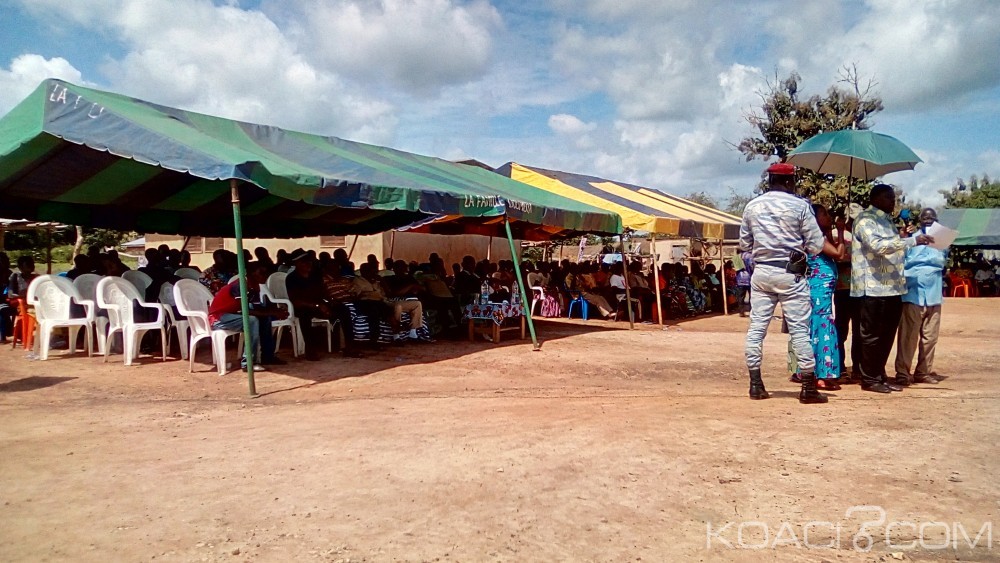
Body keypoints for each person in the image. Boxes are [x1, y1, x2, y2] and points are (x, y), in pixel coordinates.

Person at [739, 162, 827, 404]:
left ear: (770, 181)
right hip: (791, 274)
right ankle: (808, 388)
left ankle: (756, 384)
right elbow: (817, 245)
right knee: (800, 331)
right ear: (790, 181)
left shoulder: (752, 206)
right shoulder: (800, 206)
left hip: (762, 274)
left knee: (756, 330)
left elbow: (745, 244)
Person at [851, 184, 934, 393]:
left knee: (887, 334)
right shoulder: (865, 219)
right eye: (889, 198)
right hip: (872, 287)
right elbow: (878, 246)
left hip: (893, 287)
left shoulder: (887, 221)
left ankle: (879, 374)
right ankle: (868, 378)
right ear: (876, 198)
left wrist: (905, 240)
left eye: (893, 199)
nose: (893, 202)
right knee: (871, 335)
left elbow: (895, 246)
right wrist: (911, 241)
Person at [790, 204, 847, 390]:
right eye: (825, 213)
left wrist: (832, 231)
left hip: (820, 286)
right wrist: (840, 231)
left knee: (816, 326)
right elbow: (838, 254)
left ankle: (816, 372)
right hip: (819, 287)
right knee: (821, 326)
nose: (829, 216)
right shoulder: (815, 237)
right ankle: (821, 374)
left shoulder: (816, 236)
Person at [893, 207, 946, 386]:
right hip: (913, 293)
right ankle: (902, 371)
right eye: (925, 218)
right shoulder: (911, 240)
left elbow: (942, 261)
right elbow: (902, 259)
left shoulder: (943, 241)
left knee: (930, 337)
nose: (928, 220)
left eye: (932, 218)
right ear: (920, 220)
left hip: (934, 293)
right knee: (908, 335)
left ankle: (923, 371)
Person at [208, 263, 288, 372]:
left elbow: (256, 308)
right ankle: (248, 362)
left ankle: (268, 356)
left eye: (266, 273)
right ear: (251, 274)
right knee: (252, 320)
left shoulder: (254, 286)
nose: (265, 276)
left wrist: (275, 312)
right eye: (261, 273)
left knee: (264, 319)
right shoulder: (240, 285)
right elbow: (246, 310)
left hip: (233, 314)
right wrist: (273, 313)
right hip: (219, 318)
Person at [286, 252, 363, 359]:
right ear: (297, 263)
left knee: (344, 309)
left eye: (309, 261)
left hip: (319, 305)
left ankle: (349, 347)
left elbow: (324, 292)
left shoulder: (315, 275)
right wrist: (317, 305)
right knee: (304, 315)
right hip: (305, 307)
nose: (308, 264)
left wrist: (330, 302)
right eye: (305, 262)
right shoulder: (291, 278)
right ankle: (310, 350)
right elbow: (296, 301)